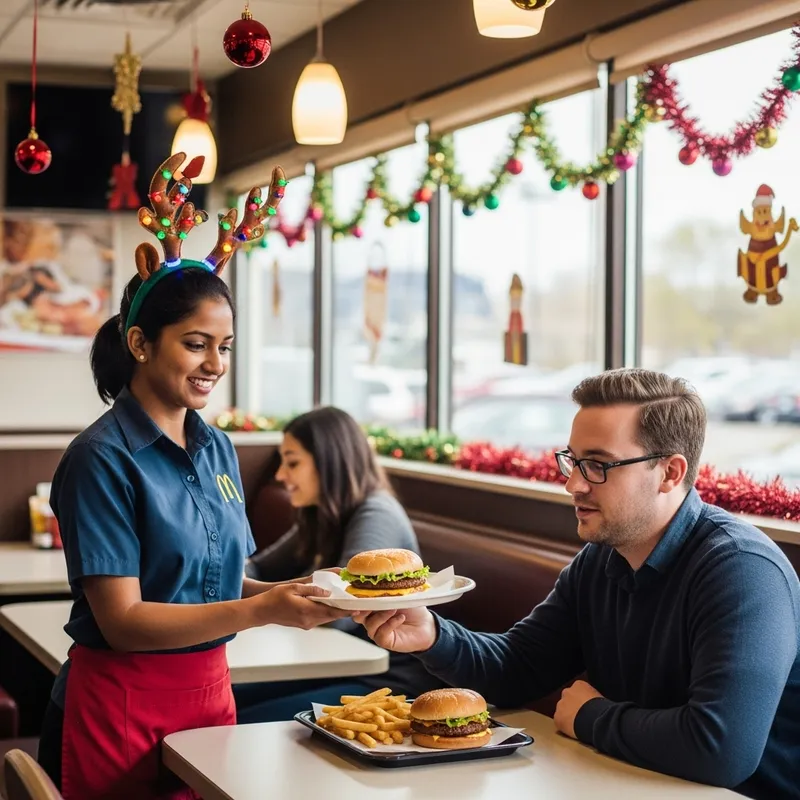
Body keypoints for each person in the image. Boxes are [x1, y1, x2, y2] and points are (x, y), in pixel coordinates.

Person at [36, 153, 349, 800]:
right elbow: (123, 621)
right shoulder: (102, 458)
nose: (214, 363)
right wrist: (263, 608)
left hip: (209, 689)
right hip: (118, 701)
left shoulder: (218, 451)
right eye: (195, 343)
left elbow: (207, 579)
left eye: (226, 346)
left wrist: (300, 592)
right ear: (142, 344)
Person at [356, 368, 800, 799]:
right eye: (572, 460)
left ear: (670, 472)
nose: (572, 484)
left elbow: (721, 752)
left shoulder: (742, 572)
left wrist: (590, 716)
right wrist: (431, 635)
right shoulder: (604, 556)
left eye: (598, 466)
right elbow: (518, 667)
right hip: (628, 782)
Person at [235, 405, 446, 723]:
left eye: (292, 463)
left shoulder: (377, 513)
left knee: (239, 715)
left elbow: (344, 611)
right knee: (226, 696)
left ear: (328, 462)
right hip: (332, 666)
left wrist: (272, 600)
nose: (280, 475)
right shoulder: (323, 514)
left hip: (387, 679)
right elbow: (260, 568)